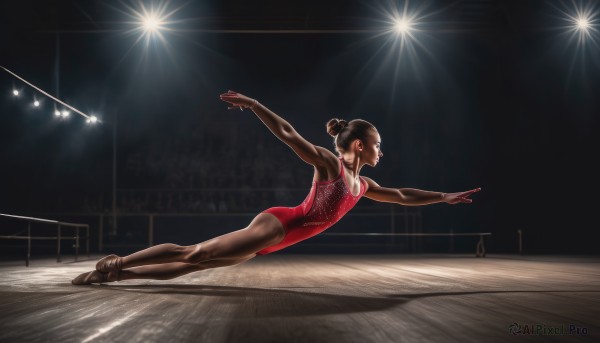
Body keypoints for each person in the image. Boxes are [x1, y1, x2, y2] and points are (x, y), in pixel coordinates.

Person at [72, 91, 481, 285]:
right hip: (278, 226)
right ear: (359, 145)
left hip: (274, 242)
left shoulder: (363, 184)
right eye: (378, 144)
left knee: (191, 267)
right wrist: (254, 106)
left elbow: (404, 195)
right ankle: (118, 262)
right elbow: (288, 134)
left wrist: (442, 197)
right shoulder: (330, 164)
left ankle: (121, 276)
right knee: (192, 252)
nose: (381, 150)